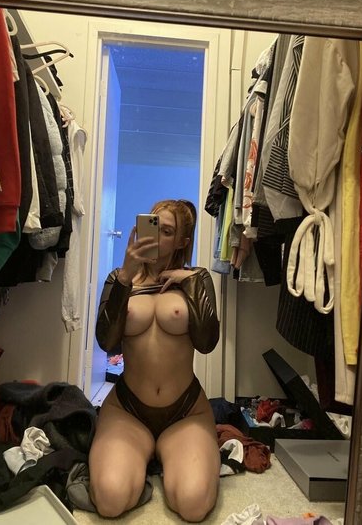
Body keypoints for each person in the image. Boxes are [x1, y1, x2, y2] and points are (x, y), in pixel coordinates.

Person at [89, 199, 221, 522]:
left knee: (193, 504)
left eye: (168, 231)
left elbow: (207, 343)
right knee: (109, 499)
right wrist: (125, 276)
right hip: (127, 410)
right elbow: (106, 342)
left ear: (182, 242)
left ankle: (168, 460)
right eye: (154, 225)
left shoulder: (196, 279)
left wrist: (191, 283)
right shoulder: (120, 278)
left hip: (186, 413)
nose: (158, 236)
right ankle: (140, 462)